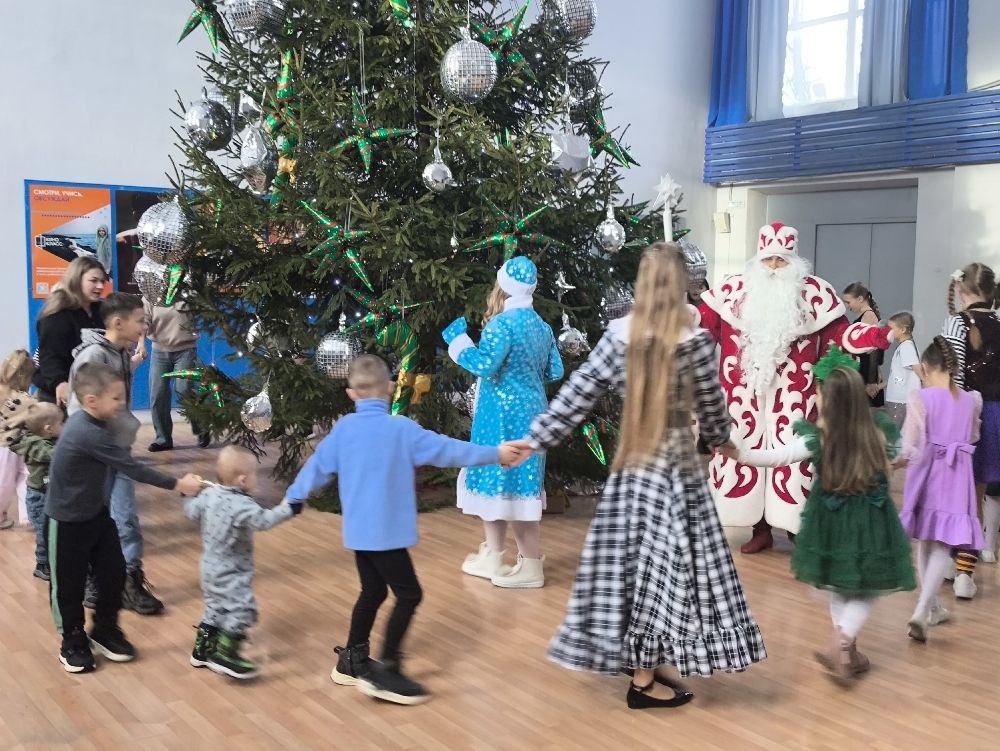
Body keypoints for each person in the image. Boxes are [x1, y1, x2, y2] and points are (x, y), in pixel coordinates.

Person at [511, 244, 765, 710]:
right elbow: (712, 408)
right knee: (669, 572)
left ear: (642, 284)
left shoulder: (619, 337)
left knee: (632, 570)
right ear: (683, 282)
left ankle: (644, 660)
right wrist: (722, 440)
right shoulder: (695, 342)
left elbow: (577, 393)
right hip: (677, 475)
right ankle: (643, 681)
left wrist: (535, 439)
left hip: (631, 473)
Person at [284, 355, 522, 705]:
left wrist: (294, 497)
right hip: (386, 536)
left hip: (360, 535)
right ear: (390, 387)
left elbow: (317, 467)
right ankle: (387, 671)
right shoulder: (401, 429)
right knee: (409, 595)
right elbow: (448, 450)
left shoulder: (344, 430)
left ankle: (351, 661)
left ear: (351, 393)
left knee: (373, 591)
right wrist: (496, 454)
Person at [698, 223, 892, 554]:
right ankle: (758, 529)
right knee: (743, 457)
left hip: (794, 401)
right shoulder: (732, 292)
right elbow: (700, 330)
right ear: (758, 259)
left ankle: (796, 528)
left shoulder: (816, 295)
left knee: (796, 464)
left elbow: (841, 336)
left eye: (781, 260)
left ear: (794, 261)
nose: (774, 267)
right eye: (768, 259)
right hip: (743, 401)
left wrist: (876, 335)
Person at [723, 348, 914, 684]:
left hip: (830, 522)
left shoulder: (819, 437)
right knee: (866, 588)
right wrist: (897, 462)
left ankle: (845, 647)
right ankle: (844, 642)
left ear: (828, 400)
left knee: (839, 583)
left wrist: (736, 453)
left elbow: (775, 457)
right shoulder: (878, 433)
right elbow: (902, 456)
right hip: (869, 523)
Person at [47, 362, 200, 674]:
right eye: (116, 398)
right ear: (92, 400)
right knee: (68, 584)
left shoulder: (100, 423)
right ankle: (72, 639)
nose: (122, 403)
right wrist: (178, 484)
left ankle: (105, 629)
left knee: (113, 572)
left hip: (96, 515)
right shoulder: (87, 432)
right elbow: (133, 468)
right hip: (66, 523)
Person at [441, 257, 563, 588]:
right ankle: (495, 556)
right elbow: (555, 370)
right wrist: (527, 377)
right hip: (533, 412)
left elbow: (484, 365)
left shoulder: (501, 325)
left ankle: (529, 566)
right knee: (519, 485)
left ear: (502, 288)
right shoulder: (542, 327)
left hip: (499, 416)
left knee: (496, 480)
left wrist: (458, 342)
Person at [67, 293, 161, 615]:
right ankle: (95, 578)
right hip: (96, 456)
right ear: (118, 323)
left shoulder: (119, 352)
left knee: (125, 516)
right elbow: (79, 408)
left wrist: (135, 361)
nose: (144, 326)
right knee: (96, 518)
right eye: (140, 320)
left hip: (117, 451)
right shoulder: (93, 355)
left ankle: (128, 580)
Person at [896, 337, 982, 641]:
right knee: (943, 543)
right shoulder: (971, 401)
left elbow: (910, 445)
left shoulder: (921, 398)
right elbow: (973, 437)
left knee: (926, 541)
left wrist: (894, 462)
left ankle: (923, 609)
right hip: (957, 476)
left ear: (926, 367)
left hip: (928, 474)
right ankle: (929, 607)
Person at [186, 446, 294, 679]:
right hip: (231, 571)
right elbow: (264, 521)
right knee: (242, 609)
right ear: (243, 480)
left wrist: (188, 494)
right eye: (255, 474)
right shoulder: (241, 505)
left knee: (215, 606)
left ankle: (202, 650)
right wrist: (289, 509)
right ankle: (226, 654)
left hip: (209, 569)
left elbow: (192, 513)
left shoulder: (208, 495)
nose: (257, 478)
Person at [940, 263, 1000, 594]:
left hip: (964, 413)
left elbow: (953, 375)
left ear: (962, 292)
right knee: (977, 494)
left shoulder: (956, 322)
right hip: (995, 416)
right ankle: (965, 572)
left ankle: (955, 563)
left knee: (955, 495)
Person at [32, 256, 106, 406]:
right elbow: (49, 356)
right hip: (60, 394)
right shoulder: (57, 315)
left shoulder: (101, 311)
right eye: (93, 281)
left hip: (90, 391)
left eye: (102, 281)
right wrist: (59, 383)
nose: (100, 286)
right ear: (76, 280)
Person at [4, 401, 63, 580]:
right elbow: (52, 455)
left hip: (50, 493)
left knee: (53, 531)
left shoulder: (48, 439)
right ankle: (42, 564)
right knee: (44, 532)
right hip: (39, 497)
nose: (64, 426)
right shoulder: (35, 444)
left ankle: (52, 561)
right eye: (61, 423)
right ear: (48, 428)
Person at [142, 299, 209, 451]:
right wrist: (141, 344)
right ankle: (163, 439)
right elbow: (144, 321)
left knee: (184, 389)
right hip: (159, 350)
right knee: (158, 393)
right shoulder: (150, 293)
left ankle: (202, 427)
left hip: (186, 349)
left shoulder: (187, 291)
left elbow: (203, 309)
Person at [0, 350, 35, 529]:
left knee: (8, 480)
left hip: (11, 446)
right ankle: (28, 515)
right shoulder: (24, 399)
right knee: (21, 478)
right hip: (9, 447)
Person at [843, 282, 885, 408]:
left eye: (848, 302)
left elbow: (874, 350)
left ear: (860, 299)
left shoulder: (869, 317)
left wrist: (871, 381)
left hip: (866, 374)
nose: (847, 306)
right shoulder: (866, 316)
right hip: (864, 370)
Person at [883, 312, 921, 429]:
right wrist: (879, 386)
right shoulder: (904, 346)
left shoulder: (906, 347)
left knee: (894, 433)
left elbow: (917, 368)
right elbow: (898, 375)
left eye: (891, 328)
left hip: (900, 400)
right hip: (898, 400)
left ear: (903, 329)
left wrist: (928, 385)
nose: (888, 332)